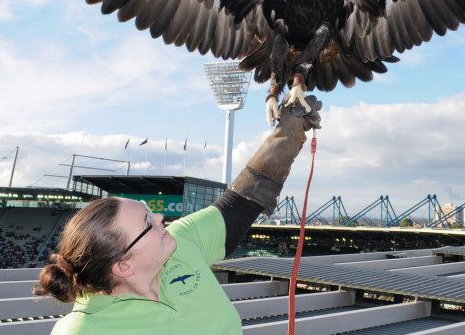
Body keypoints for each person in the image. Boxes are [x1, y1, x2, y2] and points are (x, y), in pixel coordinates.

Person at [33, 97, 322, 334]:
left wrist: (288, 133)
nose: (159, 220)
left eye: (150, 212)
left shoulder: (179, 240)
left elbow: (242, 201)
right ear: (123, 265)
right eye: (147, 223)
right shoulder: (82, 331)